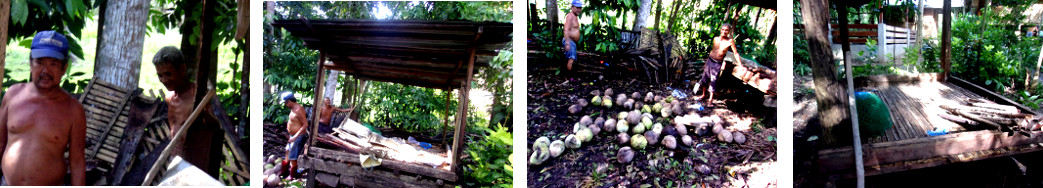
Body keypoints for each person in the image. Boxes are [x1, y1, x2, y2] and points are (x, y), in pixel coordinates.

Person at [0, 30, 86, 185]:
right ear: (30, 63)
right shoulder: (13, 95)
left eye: (53, 63)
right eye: (40, 62)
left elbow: (77, 163)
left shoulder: (73, 110)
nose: (46, 70)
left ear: (64, 68)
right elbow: (0, 143)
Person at [152, 46, 223, 178]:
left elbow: (215, 127)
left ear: (182, 69)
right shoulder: (169, 97)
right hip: (175, 160)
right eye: (160, 75)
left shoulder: (198, 97)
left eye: (168, 74)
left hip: (195, 163)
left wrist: (205, 111)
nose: (164, 80)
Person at [695, 23, 739, 107]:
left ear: (729, 31)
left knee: (713, 81)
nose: (724, 31)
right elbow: (712, 51)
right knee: (704, 79)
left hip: (717, 63)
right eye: (723, 29)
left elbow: (736, 53)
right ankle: (703, 95)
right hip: (710, 61)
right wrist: (707, 62)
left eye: (726, 30)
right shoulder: (715, 39)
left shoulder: (730, 41)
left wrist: (740, 64)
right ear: (720, 30)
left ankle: (710, 101)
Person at [280, 92, 308, 179]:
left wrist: (295, 136)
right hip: (292, 136)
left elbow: (305, 124)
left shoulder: (298, 109)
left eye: (285, 103)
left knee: (293, 156)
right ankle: (284, 172)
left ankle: (292, 175)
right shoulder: (292, 108)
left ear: (289, 101)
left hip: (298, 137)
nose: (285, 105)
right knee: (287, 151)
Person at [562, 0, 583, 71]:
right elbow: (566, 30)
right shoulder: (570, 16)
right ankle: (568, 78)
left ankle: (568, 78)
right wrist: (567, 43)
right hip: (569, 40)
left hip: (572, 41)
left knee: (571, 59)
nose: (579, 10)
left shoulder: (575, 16)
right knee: (571, 59)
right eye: (577, 8)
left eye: (580, 8)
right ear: (572, 7)